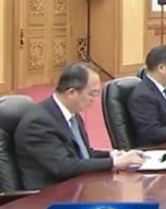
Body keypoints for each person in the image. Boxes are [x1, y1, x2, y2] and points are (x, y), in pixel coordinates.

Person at [14, 63, 143, 189]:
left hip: (77, 187)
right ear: (71, 93)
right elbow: (63, 166)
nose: (94, 99)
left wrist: (112, 155)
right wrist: (114, 163)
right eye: (92, 94)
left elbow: (82, 154)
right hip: (50, 195)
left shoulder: (72, 115)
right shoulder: (38, 123)